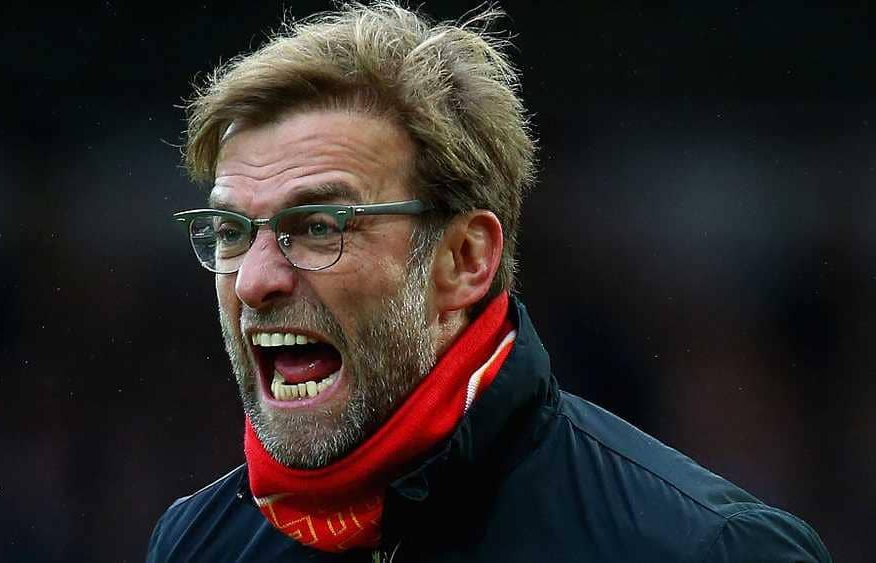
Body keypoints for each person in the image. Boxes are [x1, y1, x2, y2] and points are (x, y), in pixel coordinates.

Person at [147, 2, 831, 561]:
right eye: (231, 231)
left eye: (320, 226)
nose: (254, 280)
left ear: (464, 259)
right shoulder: (195, 544)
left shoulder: (709, 549)